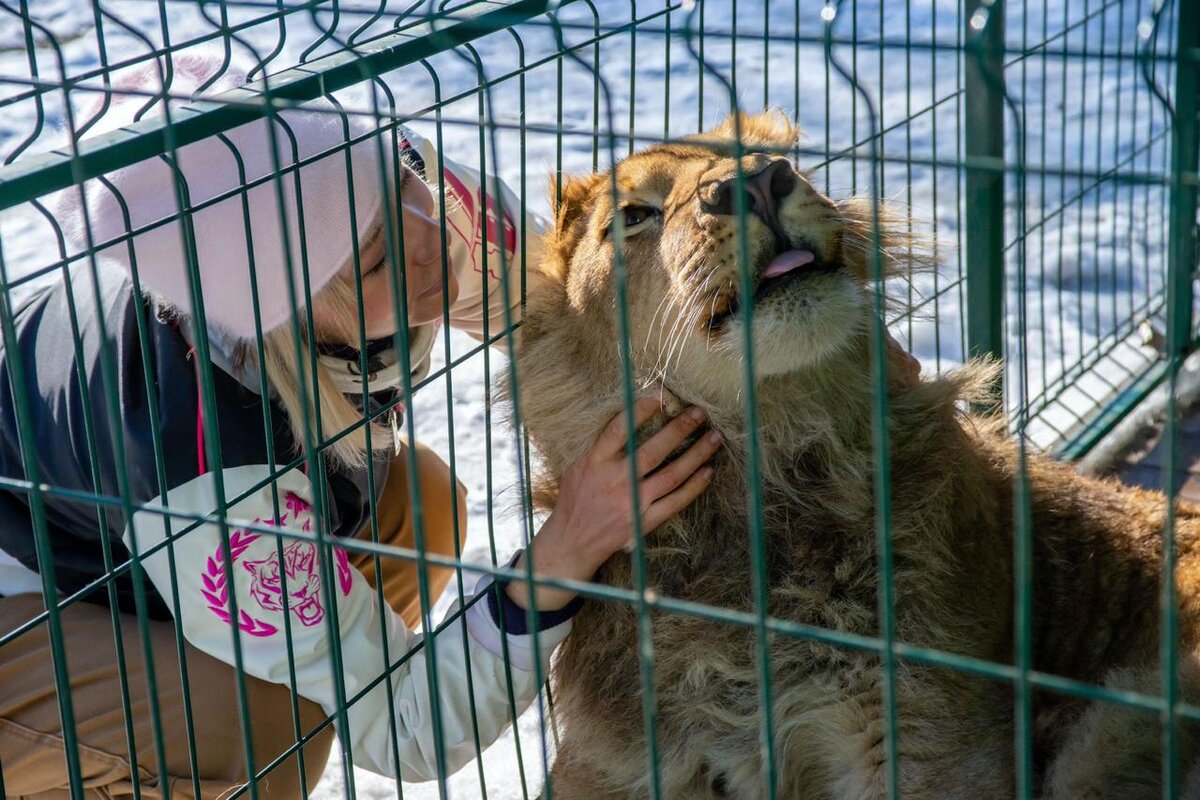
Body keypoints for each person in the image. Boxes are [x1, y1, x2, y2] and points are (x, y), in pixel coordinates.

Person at [0, 56, 721, 798]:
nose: (435, 241)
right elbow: (410, 728)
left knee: (422, 502)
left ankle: (296, 652)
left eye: (414, 189)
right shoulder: (209, 462)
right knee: (262, 731)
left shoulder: (380, 192)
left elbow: (566, 297)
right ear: (284, 323)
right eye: (379, 262)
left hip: (131, 540)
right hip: (27, 604)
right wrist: (568, 545)